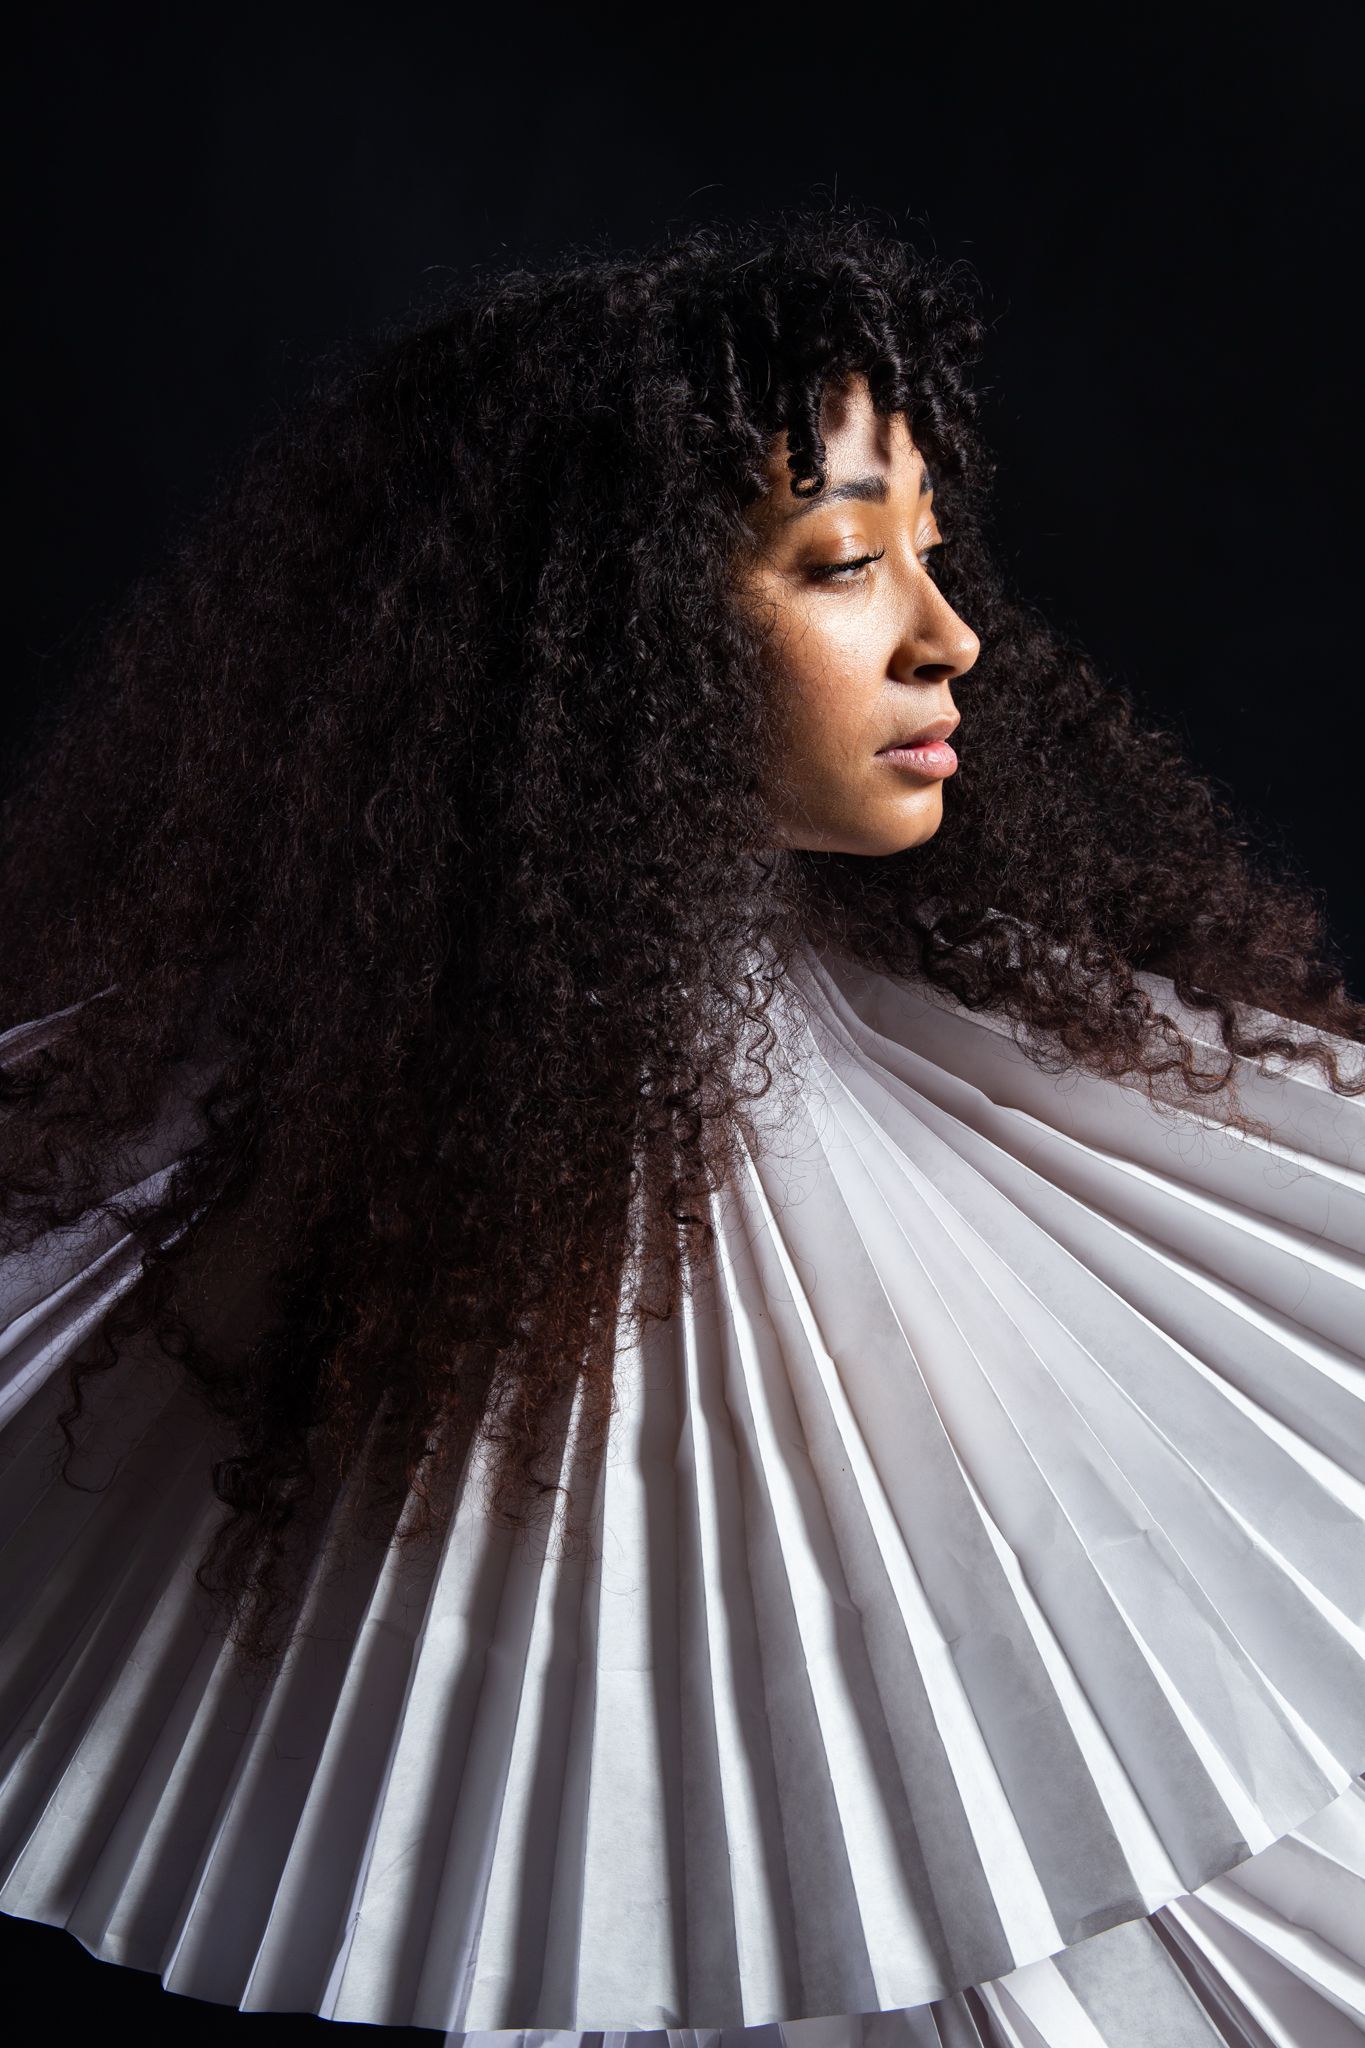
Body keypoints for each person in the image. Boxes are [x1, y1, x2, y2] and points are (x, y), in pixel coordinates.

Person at [1, 206, 1362, 2045]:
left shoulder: (1066, 1102)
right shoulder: (261, 1225)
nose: (947, 639)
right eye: (840, 565)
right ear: (597, 633)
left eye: (930, 558)